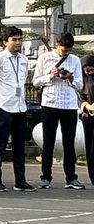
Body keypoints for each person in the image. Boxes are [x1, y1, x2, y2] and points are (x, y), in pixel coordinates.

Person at [0, 26, 32, 192]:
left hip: (20, 107)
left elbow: (23, 80)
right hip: (3, 107)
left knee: (19, 146)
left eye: (19, 39)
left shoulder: (23, 60)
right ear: (5, 42)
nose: (17, 43)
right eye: (14, 40)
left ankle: (20, 180)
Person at [33, 31, 84, 189]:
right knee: (49, 141)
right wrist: (50, 76)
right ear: (57, 45)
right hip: (50, 103)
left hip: (69, 104)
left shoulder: (75, 60)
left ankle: (71, 177)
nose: (66, 53)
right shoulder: (45, 58)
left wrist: (70, 78)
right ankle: (45, 177)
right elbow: (35, 82)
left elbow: (80, 85)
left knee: (70, 142)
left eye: (68, 50)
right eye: (63, 50)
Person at [79, 55, 94, 185]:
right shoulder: (82, 81)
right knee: (91, 148)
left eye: (91, 67)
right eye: (85, 67)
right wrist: (87, 105)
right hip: (88, 118)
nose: (88, 69)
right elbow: (80, 97)